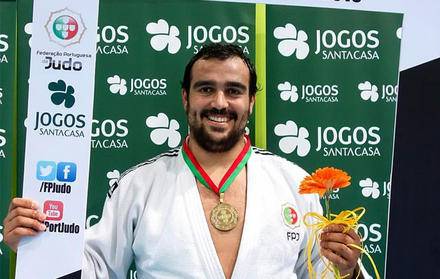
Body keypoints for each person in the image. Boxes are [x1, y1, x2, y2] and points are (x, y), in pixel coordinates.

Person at [3, 44, 362, 279]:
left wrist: (350, 270)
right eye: (206, 88)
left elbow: (320, 273)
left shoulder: (294, 182)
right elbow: (95, 271)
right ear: (185, 97)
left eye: (234, 91)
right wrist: (39, 248)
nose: (219, 102)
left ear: (251, 101)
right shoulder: (138, 186)